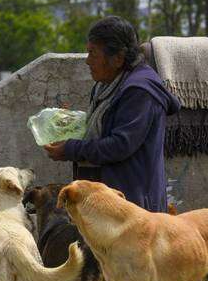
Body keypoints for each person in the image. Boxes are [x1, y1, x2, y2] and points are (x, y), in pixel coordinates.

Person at [43, 16, 180, 212]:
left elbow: (120, 145)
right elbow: (103, 127)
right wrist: (69, 125)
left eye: (93, 53)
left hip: (132, 207)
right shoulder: (106, 85)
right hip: (107, 201)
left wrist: (70, 149)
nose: (88, 61)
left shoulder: (139, 90)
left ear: (118, 58)